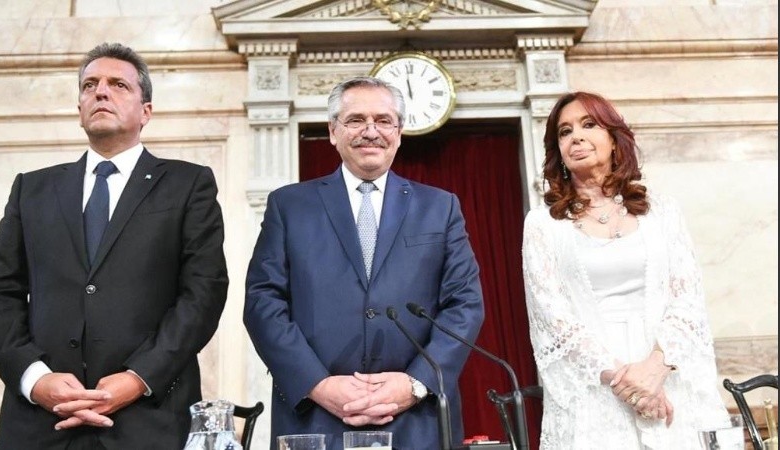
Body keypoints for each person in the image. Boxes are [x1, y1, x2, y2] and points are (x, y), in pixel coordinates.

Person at [0, 42, 229, 449]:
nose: (100, 92)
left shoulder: (188, 185)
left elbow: (203, 294)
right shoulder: (32, 189)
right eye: (89, 85)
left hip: (147, 421)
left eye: (118, 85)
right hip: (41, 423)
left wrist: (137, 379)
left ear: (146, 111)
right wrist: (35, 379)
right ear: (79, 108)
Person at [245, 76, 484, 449]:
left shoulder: (441, 207)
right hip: (315, 417)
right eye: (356, 120)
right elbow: (263, 301)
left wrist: (414, 383)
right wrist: (318, 384)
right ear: (333, 131)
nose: (371, 131)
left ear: (399, 133)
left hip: (416, 418)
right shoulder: (289, 206)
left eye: (383, 120)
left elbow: (465, 305)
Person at [521, 91, 730, 449]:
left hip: (668, 376)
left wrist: (656, 368)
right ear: (558, 151)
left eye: (589, 125)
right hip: (596, 388)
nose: (576, 137)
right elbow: (553, 319)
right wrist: (627, 383)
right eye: (565, 132)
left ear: (615, 140)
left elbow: (687, 299)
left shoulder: (662, 211)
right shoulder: (543, 225)